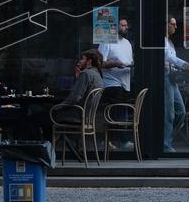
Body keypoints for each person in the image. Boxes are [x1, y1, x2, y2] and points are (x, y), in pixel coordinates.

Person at [98, 17, 134, 149]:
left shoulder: (127, 43)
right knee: (118, 111)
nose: (126, 28)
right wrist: (115, 63)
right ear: (115, 26)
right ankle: (122, 141)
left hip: (126, 82)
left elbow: (130, 61)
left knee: (119, 112)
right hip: (111, 83)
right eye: (123, 25)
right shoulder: (107, 41)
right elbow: (99, 63)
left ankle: (109, 141)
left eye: (126, 25)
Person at [53, 49, 105, 125]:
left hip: (77, 116)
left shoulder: (86, 73)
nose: (79, 61)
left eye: (82, 59)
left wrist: (57, 107)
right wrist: (79, 80)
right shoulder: (98, 75)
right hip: (87, 117)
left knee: (43, 114)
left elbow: (75, 98)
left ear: (89, 61)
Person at [163, 16, 189, 152]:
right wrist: (182, 63)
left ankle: (166, 139)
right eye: (172, 24)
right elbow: (167, 56)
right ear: (166, 24)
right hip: (165, 77)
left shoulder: (170, 41)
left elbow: (170, 60)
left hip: (171, 78)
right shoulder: (161, 40)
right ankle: (165, 144)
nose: (175, 27)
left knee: (181, 111)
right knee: (169, 113)